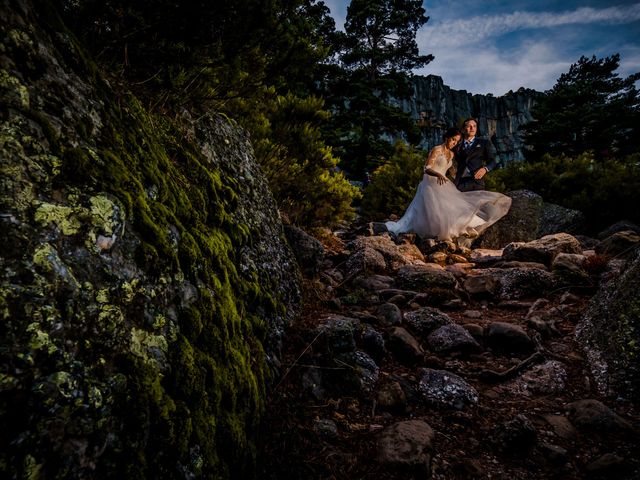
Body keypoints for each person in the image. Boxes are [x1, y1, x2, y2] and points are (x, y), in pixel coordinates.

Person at [385, 127, 511, 242]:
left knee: (455, 207)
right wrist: (438, 174)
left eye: (456, 141)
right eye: (453, 140)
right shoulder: (437, 149)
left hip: (443, 184)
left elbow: (451, 171)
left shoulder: (451, 154)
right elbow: (426, 168)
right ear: (447, 137)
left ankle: (462, 228)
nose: (454, 143)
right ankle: (437, 233)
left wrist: (466, 175)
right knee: (435, 211)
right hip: (430, 184)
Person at [453, 117, 499, 192]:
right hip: (459, 182)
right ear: (463, 129)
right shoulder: (457, 146)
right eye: (469, 126)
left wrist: (485, 169)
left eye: (474, 126)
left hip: (476, 182)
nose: (472, 128)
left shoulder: (484, 143)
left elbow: (493, 161)